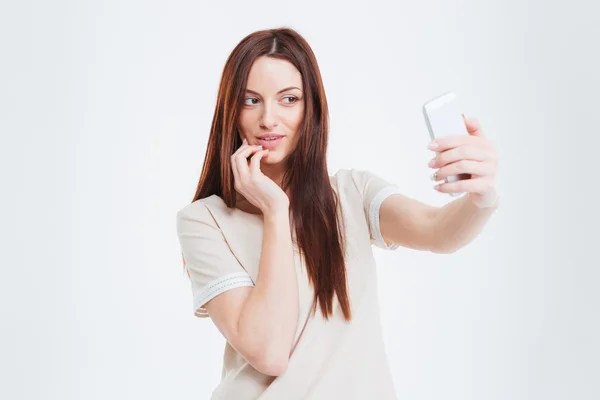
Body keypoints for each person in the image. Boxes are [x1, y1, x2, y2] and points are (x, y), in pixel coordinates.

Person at [175, 27, 499, 400]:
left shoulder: (351, 194)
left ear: (311, 106)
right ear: (231, 112)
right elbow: (269, 352)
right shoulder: (204, 220)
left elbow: (437, 230)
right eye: (251, 101)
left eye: (289, 99)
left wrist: (483, 197)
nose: (268, 119)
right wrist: (276, 210)